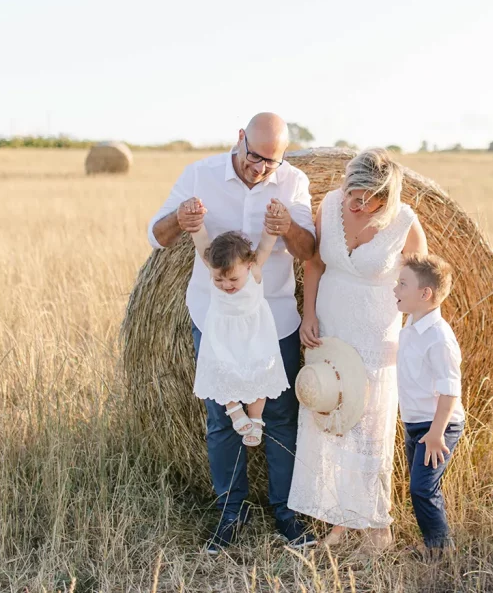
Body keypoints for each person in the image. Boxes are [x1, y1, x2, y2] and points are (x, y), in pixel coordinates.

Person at [147, 112, 317, 554]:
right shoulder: (199, 175)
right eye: (255, 157)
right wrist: (182, 218)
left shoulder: (293, 182)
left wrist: (288, 229)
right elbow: (158, 236)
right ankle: (229, 517)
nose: (261, 169)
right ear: (239, 139)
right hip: (214, 319)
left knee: (280, 418)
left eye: (271, 162)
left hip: (274, 320)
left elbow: (310, 250)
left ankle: (287, 515)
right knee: (222, 419)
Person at [289, 148, 428, 550]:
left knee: (369, 428)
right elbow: (314, 264)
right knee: (330, 416)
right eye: (355, 193)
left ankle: (377, 526)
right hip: (330, 329)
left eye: (372, 198)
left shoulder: (404, 223)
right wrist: (308, 314)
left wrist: (416, 341)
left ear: (389, 197)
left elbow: (423, 288)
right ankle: (338, 522)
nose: (360, 203)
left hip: (374, 335)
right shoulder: (330, 205)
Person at [187, 200, 291, 447]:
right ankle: (233, 409)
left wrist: (272, 221)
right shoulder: (216, 269)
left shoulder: (255, 272)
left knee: (260, 374)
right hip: (222, 334)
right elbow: (201, 241)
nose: (226, 285)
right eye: (219, 280)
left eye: (233, 278)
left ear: (249, 265)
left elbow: (267, 243)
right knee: (223, 370)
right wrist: (195, 221)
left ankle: (256, 420)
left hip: (254, 334)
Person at [393, 253, 465, 556]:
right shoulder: (411, 325)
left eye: (402, 284)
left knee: (422, 488)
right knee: (422, 487)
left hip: (438, 425)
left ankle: (441, 549)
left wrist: (436, 433)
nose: (395, 289)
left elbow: (450, 392)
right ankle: (433, 543)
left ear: (425, 294)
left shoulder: (439, 338)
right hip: (416, 422)